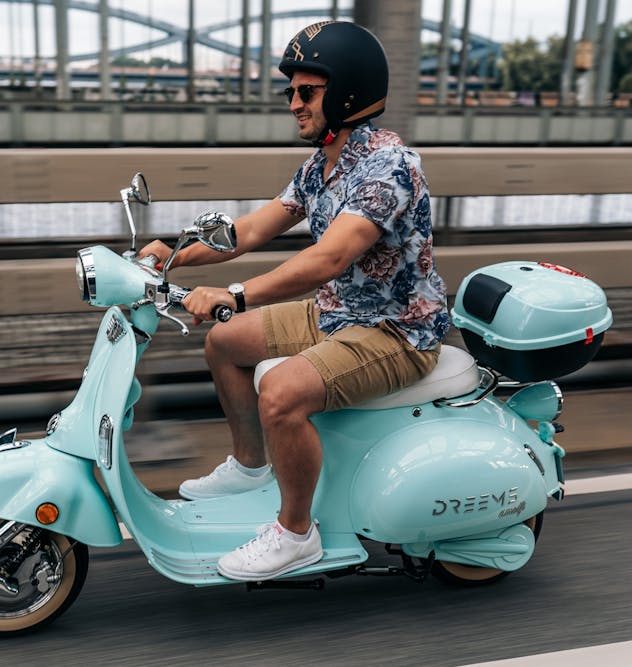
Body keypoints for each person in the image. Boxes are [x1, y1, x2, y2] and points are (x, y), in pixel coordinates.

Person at [138, 21, 449, 581]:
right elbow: (251, 229)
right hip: (338, 312)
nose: (295, 105)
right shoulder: (321, 165)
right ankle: (253, 466)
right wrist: (173, 251)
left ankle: (295, 532)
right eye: (291, 93)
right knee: (226, 343)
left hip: (396, 330)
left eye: (307, 92)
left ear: (348, 93)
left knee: (280, 393)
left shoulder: (388, 167)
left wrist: (235, 293)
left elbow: (327, 259)